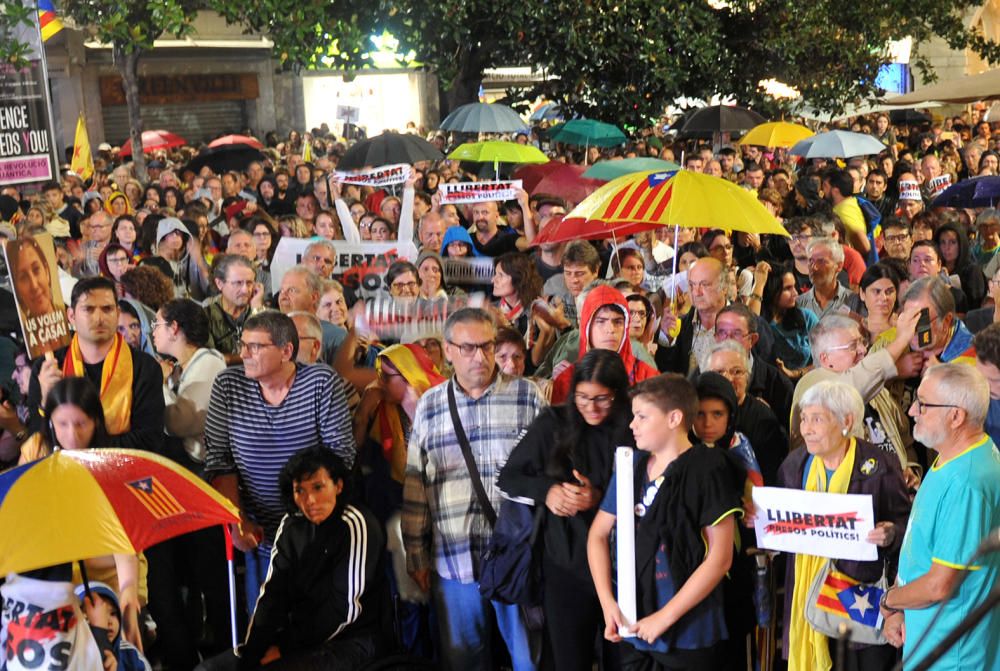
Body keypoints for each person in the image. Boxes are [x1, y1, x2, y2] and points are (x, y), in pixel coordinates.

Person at [402, 307, 545, 671]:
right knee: (464, 659)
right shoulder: (430, 406)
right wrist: (417, 555)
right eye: (468, 348)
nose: (480, 357)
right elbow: (417, 484)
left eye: (487, 346)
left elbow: (550, 472)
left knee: (528, 658)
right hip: (455, 559)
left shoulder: (527, 397)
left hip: (516, 557)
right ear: (448, 350)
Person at [587, 374, 744, 669]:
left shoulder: (707, 469)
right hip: (633, 624)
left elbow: (719, 559)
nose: (632, 425)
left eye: (642, 416)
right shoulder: (631, 466)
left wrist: (664, 617)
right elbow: (597, 535)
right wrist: (608, 603)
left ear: (674, 418)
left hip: (688, 633)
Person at [204, 311, 355, 604]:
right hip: (261, 535)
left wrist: (310, 519)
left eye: (255, 347)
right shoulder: (227, 386)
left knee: (319, 626)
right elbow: (220, 462)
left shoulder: (320, 382)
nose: (243, 354)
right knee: (263, 629)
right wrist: (238, 521)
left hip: (318, 531)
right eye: (243, 344)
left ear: (287, 351)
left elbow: (339, 456)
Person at [195, 448, 388, 671]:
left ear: (339, 486)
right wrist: (254, 651)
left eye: (318, 487)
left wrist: (285, 649)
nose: (310, 500)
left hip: (351, 639)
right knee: (209, 669)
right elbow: (272, 595)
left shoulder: (357, 524)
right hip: (299, 636)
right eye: (300, 491)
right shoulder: (291, 525)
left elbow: (343, 611)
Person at [498, 350, 632, 671]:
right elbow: (510, 477)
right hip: (565, 564)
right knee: (569, 659)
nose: (591, 407)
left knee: (623, 658)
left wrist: (599, 498)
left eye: (602, 398)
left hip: (622, 568)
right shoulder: (554, 423)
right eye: (582, 397)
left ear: (619, 394)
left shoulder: (632, 427)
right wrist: (549, 491)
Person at [778, 380, 910, 671]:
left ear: (846, 421)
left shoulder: (878, 466)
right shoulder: (794, 465)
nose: (806, 428)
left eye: (817, 419)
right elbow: (782, 527)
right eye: (803, 418)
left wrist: (892, 533)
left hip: (857, 596)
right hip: (809, 592)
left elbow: (907, 527)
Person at [881, 364, 1000, 669]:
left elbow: (939, 585)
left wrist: (889, 601)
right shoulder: (950, 456)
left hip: (954, 657)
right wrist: (902, 608)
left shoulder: (967, 483)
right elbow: (921, 548)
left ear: (956, 416)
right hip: (928, 639)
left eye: (923, 403)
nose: (911, 411)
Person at [15, 377, 145, 651]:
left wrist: (128, 598)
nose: (72, 435)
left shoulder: (111, 467)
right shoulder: (35, 451)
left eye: (81, 424)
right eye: (62, 424)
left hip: (108, 579)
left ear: (96, 422)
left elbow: (123, 547)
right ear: (50, 422)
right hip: (56, 577)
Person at [26, 276, 165, 451]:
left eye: (107, 309)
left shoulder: (144, 367)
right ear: (71, 316)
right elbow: (38, 442)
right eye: (88, 309)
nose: (99, 318)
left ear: (118, 313)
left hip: (124, 472)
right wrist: (45, 403)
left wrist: (84, 450)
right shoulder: (49, 367)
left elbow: (149, 440)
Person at [551, 285, 659, 404]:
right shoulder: (566, 379)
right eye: (601, 321)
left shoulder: (648, 377)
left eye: (618, 322)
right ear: (587, 326)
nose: (610, 329)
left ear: (626, 326)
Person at [74, 582, 152, 671]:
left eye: (113, 613)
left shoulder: (131, 654)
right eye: (99, 615)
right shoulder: (71, 658)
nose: (108, 621)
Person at [756, 262, 819, 372]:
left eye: (794, 287)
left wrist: (796, 374)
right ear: (772, 290)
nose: (795, 293)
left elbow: (826, 357)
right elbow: (750, 323)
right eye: (787, 288)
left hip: (805, 381)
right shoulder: (762, 323)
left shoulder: (807, 317)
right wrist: (759, 284)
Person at [204, 254, 264, 364]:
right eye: (238, 283)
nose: (245, 290)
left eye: (249, 283)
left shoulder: (260, 312)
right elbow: (210, 360)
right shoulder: (205, 316)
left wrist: (257, 309)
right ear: (219, 283)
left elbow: (265, 353)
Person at [493, 251, 543, 338]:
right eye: (495, 274)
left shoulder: (538, 311)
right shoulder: (491, 311)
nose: (493, 280)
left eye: (500, 275)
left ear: (519, 278)